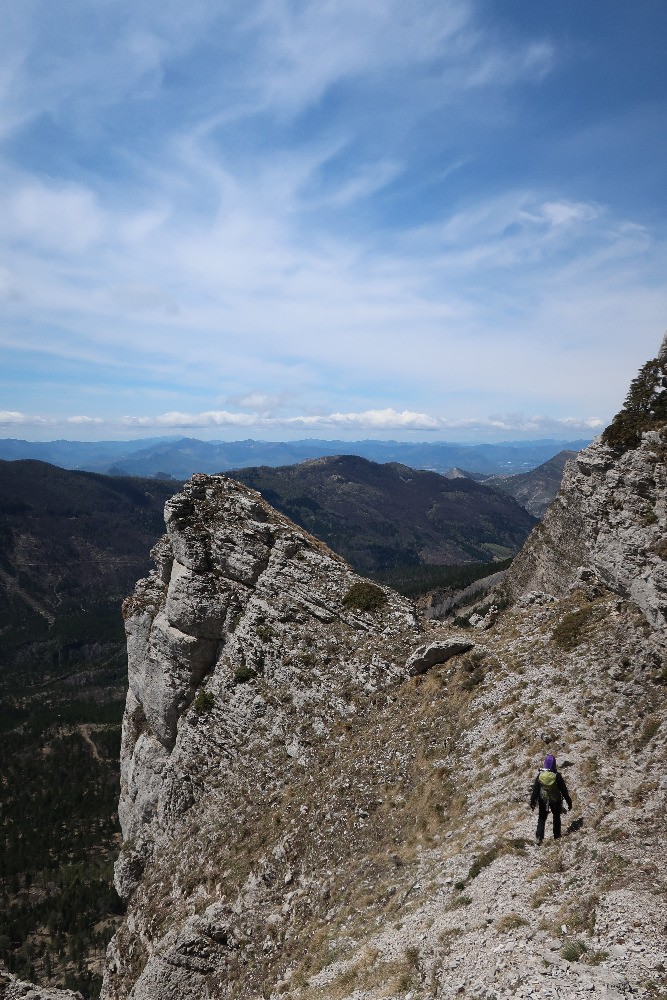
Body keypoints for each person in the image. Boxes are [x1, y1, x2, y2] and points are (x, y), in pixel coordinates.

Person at [530, 753, 572, 844]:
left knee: (542, 818)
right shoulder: (557, 776)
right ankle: (557, 836)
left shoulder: (540, 775)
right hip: (556, 799)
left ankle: (539, 837)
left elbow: (535, 790)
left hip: (543, 799)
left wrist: (533, 802)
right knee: (556, 817)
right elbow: (564, 790)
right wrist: (569, 802)